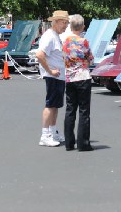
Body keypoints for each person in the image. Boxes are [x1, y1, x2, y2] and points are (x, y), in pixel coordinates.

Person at [36, 10, 69, 147]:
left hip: (58, 76)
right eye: (64, 22)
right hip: (53, 76)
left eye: (67, 23)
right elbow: (39, 55)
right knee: (50, 105)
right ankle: (45, 135)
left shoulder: (55, 36)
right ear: (55, 22)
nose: (66, 25)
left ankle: (52, 131)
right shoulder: (49, 36)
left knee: (55, 105)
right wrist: (50, 70)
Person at [62, 14, 94, 152]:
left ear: (70, 26)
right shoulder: (84, 41)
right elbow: (90, 59)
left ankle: (69, 143)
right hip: (83, 76)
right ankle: (83, 143)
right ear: (82, 27)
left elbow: (63, 58)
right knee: (84, 111)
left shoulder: (66, 42)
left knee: (70, 109)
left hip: (69, 77)